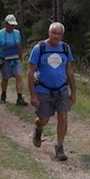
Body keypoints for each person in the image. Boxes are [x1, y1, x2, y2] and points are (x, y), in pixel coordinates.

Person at [27, 22, 76, 161]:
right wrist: (32, 95)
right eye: (54, 33)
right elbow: (30, 72)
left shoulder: (65, 48)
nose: (56, 36)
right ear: (49, 33)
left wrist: (73, 91)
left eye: (59, 34)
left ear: (62, 35)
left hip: (61, 90)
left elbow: (69, 70)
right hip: (43, 90)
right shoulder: (39, 48)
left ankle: (59, 146)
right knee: (44, 119)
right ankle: (38, 128)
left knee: (63, 116)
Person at [0, 14, 28, 105]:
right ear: (6, 24)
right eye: (10, 25)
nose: (12, 27)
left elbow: (19, 45)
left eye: (13, 25)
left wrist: (21, 57)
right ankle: (3, 94)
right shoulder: (0, 34)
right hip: (4, 60)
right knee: (5, 78)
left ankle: (19, 98)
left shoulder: (17, 33)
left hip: (15, 59)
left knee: (19, 76)